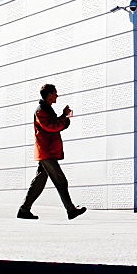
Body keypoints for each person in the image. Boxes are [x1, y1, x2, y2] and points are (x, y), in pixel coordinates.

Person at [17, 83, 87, 220]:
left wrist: (64, 118)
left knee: (38, 183)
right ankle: (71, 210)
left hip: (46, 151)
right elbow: (52, 126)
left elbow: (57, 125)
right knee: (61, 181)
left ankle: (24, 210)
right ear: (49, 95)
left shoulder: (47, 109)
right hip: (46, 152)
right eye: (55, 93)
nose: (57, 95)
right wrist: (63, 116)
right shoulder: (41, 111)